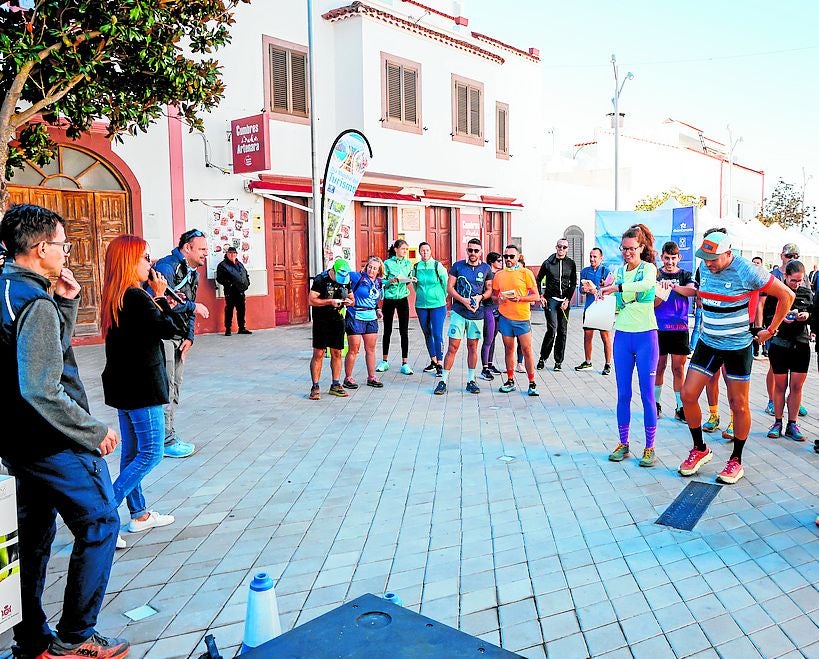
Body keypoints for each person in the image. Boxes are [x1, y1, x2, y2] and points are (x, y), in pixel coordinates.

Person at [0, 204, 129, 659]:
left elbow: (41, 354)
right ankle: (74, 638)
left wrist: (67, 304)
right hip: (53, 439)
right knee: (101, 521)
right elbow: (41, 386)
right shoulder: (34, 302)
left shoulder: (10, 289)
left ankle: (31, 638)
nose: (66, 252)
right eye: (62, 244)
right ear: (41, 249)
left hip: (17, 441)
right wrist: (91, 430)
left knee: (33, 538)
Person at [679, 229, 795, 484]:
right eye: (705, 258)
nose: (708, 264)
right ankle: (700, 448)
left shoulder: (747, 270)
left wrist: (770, 330)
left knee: (738, 404)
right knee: (687, 395)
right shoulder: (704, 267)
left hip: (737, 346)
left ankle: (736, 460)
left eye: (713, 259)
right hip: (708, 342)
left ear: (728, 253)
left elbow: (787, 295)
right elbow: (702, 295)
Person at [101, 235, 187, 548]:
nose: (150, 264)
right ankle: (102, 517)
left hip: (124, 385)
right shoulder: (136, 296)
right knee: (151, 452)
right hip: (141, 387)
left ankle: (139, 514)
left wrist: (158, 299)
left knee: (132, 452)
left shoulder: (118, 295)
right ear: (129, 261)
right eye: (145, 257)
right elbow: (170, 329)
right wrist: (160, 296)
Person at [598, 224, 659, 468]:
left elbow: (645, 286)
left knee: (647, 395)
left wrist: (617, 287)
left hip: (646, 337)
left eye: (632, 248)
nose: (627, 253)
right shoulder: (618, 271)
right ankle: (623, 444)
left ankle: (649, 447)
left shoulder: (648, 269)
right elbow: (613, 299)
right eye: (624, 248)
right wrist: (599, 292)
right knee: (623, 394)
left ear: (641, 247)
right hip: (622, 336)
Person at [152, 229, 211, 458]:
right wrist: (193, 307)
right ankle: (163, 440)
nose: (206, 253)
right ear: (187, 248)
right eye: (202, 249)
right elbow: (161, 302)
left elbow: (191, 304)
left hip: (179, 338)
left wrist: (189, 337)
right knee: (164, 389)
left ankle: (167, 435)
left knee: (174, 388)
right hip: (164, 337)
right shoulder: (167, 267)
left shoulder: (193, 273)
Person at [434, 238, 493, 395]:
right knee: (452, 347)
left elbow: (489, 290)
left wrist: (480, 298)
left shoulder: (486, 268)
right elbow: (450, 288)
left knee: (473, 347)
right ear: (467, 251)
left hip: (476, 314)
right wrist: (463, 301)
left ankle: (471, 380)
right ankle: (443, 381)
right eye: (470, 250)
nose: (473, 253)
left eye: (476, 250)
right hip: (459, 313)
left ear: (481, 252)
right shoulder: (458, 266)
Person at [765, 260, 812, 441]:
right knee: (780, 386)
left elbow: (813, 314)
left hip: (801, 344)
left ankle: (793, 423)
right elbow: (768, 316)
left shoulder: (806, 293)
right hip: (780, 344)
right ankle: (777, 422)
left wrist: (807, 315)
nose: (797, 284)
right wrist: (781, 318)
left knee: (796, 386)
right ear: (785, 276)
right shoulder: (776, 291)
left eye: (800, 280)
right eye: (793, 280)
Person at [761, 243, 807, 417]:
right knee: (774, 368)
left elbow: (807, 302)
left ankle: (794, 402)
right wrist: (767, 326)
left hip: (797, 336)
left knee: (796, 378)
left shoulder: (801, 275)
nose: (792, 259)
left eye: (796, 256)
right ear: (782, 256)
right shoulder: (773, 275)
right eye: (789, 256)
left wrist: (806, 315)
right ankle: (772, 400)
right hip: (776, 331)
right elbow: (763, 304)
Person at [653, 241, 697, 420]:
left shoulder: (685, 274)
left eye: (673, 258)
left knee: (678, 369)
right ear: (661, 257)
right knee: (659, 367)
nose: (670, 262)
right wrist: (661, 293)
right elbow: (652, 303)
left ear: (679, 257)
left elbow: (692, 292)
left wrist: (673, 286)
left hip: (680, 328)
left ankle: (681, 407)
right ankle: (655, 405)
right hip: (659, 328)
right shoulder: (655, 274)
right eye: (666, 258)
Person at [492, 244, 541, 396]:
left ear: (518, 257)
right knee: (509, 349)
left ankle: (532, 383)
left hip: (522, 318)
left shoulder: (526, 273)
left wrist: (520, 298)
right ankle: (510, 380)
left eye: (511, 256)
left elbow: (536, 296)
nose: (508, 259)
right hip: (505, 318)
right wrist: (498, 299)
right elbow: (494, 295)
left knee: (527, 350)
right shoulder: (499, 275)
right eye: (505, 256)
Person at [308, 258, 353, 399]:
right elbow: (311, 300)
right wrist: (329, 302)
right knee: (319, 353)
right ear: (333, 271)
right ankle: (315, 386)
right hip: (321, 320)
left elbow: (352, 298)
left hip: (337, 319)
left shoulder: (346, 280)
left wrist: (349, 302)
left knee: (337, 352)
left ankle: (335, 384)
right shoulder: (321, 279)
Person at [536, 238, 577, 371]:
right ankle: (542, 358)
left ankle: (558, 361)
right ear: (556, 247)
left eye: (564, 247)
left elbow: (573, 283)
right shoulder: (548, 263)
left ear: (567, 249)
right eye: (559, 246)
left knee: (562, 331)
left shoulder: (571, 264)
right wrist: (540, 295)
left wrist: (568, 300)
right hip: (551, 300)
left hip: (564, 301)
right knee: (552, 329)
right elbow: (538, 280)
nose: (561, 249)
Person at [344, 257, 384, 389]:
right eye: (370, 267)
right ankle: (348, 378)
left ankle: (371, 377)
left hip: (371, 318)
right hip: (355, 316)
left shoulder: (378, 282)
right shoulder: (358, 277)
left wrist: (378, 309)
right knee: (354, 349)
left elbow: (374, 298)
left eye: (374, 268)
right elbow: (343, 274)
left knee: (370, 349)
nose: (371, 270)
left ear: (379, 271)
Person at [378, 239, 414, 375]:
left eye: (406, 249)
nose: (405, 251)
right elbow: (381, 281)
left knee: (404, 331)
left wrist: (410, 280)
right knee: (387, 330)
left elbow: (409, 279)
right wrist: (390, 281)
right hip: (389, 299)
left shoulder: (408, 263)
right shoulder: (387, 263)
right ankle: (384, 361)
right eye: (403, 248)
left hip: (403, 298)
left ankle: (405, 363)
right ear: (396, 249)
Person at [412, 242, 448, 376]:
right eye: (422, 250)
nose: (425, 253)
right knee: (427, 333)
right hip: (421, 305)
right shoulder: (416, 267)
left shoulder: (437, 266)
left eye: (427, 250)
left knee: (437, 334)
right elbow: (415, 285)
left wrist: (442, 296)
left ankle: (440, 363)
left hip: (437, 305)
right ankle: (433, 360)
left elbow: (445, 283)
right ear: (419, 252)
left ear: (431, 251)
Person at [575, 247, 613, 375]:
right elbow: (580, 290)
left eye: (595, 257)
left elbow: (610, 290)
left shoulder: (606, 272)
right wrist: (584, 289)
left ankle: (607, 364)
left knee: (605, 337)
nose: (592, 259)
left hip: (602, 308)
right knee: (587, 336)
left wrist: (596, 290)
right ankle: (588, 362)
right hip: (589, 308)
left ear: (601, 258)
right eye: (590, 256)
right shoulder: (585, 271)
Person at [216, 245, 251, 336]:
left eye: (234, 253)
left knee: (241, 310)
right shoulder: (222, 265)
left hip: (240, 290)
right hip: (230, 291)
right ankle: (228, 329)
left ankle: (242, 328)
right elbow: (219, 278)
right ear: (227, 254)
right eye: (230, 253)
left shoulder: (239, 264)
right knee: (229, 310)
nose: (232, 255)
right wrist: (229, 283)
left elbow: (245, 274)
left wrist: (247, 283)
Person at [480, 252, 503, 380]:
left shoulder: (499, 275)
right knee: (488, 338)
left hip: (497, 308)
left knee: (493, 337)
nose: (501, 262)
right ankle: (484, 368)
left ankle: (489, 363)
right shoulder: (487, 274)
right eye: (499, 260)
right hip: (487, 307)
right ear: (492, 262)